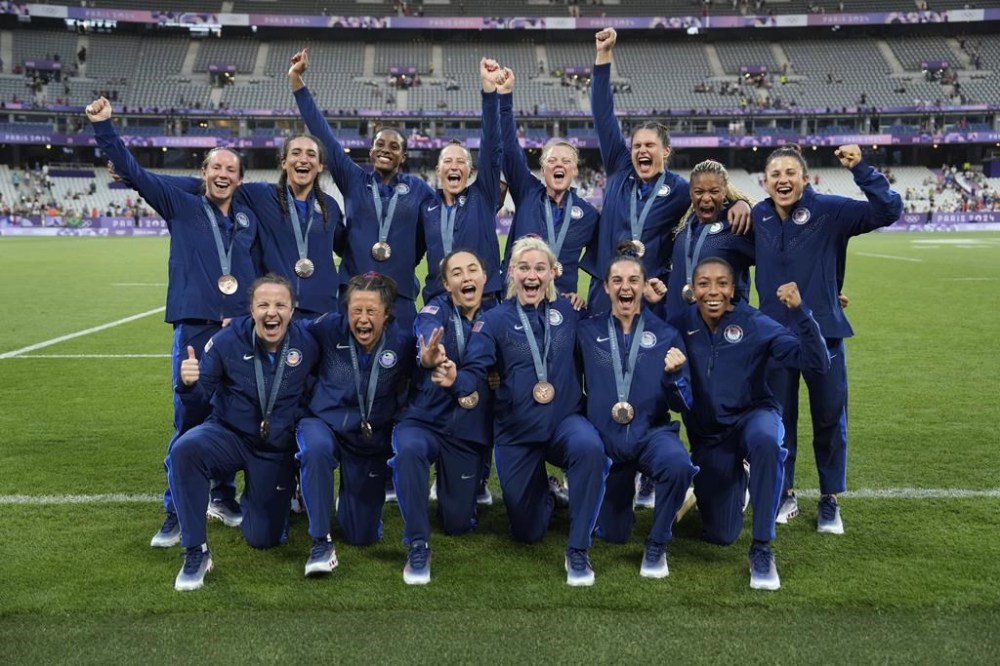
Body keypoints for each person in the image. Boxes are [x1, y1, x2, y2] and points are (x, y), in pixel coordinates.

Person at [86, 96, 261, 547]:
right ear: (203, 173)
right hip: (195, 328)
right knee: (190, 419)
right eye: (214, 168)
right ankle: (176, 511)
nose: (222, 175)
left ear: (241, 179)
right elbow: (138, 174)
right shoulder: (181, 205)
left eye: (230, 170)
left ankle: (223, 495)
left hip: (239, 330)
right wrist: (105, 126)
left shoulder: (248, 216)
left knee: (238, 414)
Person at [434, 237, 609, 587]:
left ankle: (578, 549)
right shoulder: (494, 320)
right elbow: (476, 365)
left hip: (564, 422)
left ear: (552, 273)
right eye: (524, 268)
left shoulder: (570, 313)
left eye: (540, 268)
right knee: (527, 532)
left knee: (590, 448)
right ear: (511, 272)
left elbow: (611, 334)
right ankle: (546, 492)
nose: (532, 275)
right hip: (517, 431)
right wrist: (457, 379)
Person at [753, 144, 902, 533]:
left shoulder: (831, 211)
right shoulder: (758, 216)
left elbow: (888, 211)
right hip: (774, 339)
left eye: (790, 173)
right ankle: (784, 493)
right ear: (764, 182)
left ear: (805, 178)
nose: (783, 179)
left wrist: (861, 169)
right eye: (775, 174)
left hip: (824, 335)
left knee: (830, 419)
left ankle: (829, 499)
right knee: (778, 421)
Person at [676, 257, 830, 590]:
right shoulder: (679, 324)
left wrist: (801, 313)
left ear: (733, 289)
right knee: (721, 535)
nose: (713, 291)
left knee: (766, 441)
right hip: (711, 438)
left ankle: (761, 547)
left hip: (752, 417)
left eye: (721, 283)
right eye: (704, 283)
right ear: (693, 288)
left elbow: (816, 362)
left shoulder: (754, 322)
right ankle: (738, 478)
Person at [581, 27, 750, 317]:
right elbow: (603, 114)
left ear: (666, 151)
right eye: (636, 146)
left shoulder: (680, 190)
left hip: (651, 293)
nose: (641, 151)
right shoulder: (620, 168)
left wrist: (740, 202)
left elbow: (710, 198)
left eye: (650, 145)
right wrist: (603, 55)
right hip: (606, 287)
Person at [167, 275, 319, 591]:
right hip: (229, 435)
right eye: (263, 304)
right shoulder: (226, 342)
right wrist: (188, 383)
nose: (271, 312)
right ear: (250, 309)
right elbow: (198, 401)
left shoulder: (308, 342)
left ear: (293, 310)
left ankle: (273, 493)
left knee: (263, 539)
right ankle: (196, 551)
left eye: (280, 305)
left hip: (274, 449)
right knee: (185, 450)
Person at [289, 48, 434, 331]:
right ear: (370, 151)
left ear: (403, 157)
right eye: (380, 144)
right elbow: (323, 136)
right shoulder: (354, 179)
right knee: (350, 365)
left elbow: (427, 236)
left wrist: (406, 259)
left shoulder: (420, 189)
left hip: (399, 295)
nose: (385, 150)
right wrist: (297, 82)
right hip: (353, 293)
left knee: (400, 369)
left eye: (394, 147)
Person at [576, 253, 695, 579]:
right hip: (606, 440)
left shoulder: (666, 334)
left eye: (633, 280)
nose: (625, 287)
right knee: (614, 534)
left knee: (678, 465)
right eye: (618, 280)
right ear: (606, 287)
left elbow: (684, 404)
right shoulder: (585, 331)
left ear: (644, 286)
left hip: (650, 434)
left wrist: (674, 377)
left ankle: (658, 544)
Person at [135, 135, 345, 319]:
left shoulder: (331, 206)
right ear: (284, 162)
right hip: (277, 309)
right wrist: (139, 178)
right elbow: (208, 183)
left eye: (310, 154)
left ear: (320, 166)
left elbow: (342, 245)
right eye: (296, 153)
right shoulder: (260, 195)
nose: (303, 159)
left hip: (323, 309)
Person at [296, 272, 415, 574]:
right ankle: (320, 541)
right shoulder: (326, 328)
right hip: (324, 422)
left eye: (371, 311)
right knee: (315, 450)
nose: (362, 319)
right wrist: (242, 327)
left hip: (368, 438)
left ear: (386, 314)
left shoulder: (403, 343)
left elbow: (422, 381)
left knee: (362, 536)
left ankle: (343, 501)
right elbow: (284, 330)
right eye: (355, 311)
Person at [390, 249, 494, 584]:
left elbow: (489, 366)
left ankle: (466, 490)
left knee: (458, 525)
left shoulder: (496, 317)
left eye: (473, 270)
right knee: (408, 451)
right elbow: (426, 337)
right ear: (446, 284)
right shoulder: (433, 311)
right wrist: (429, 356)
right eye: (458, 273)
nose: (466, 277)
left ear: (484, 277)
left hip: (464, 426)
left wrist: (469, 379)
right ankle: (417, 543)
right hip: (424, 419)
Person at [497, 68, 599, 302]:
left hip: (561, 308)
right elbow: (510, 149)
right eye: (552, 161)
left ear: (574, 171)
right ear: (543, 170)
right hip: (517, 300)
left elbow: (604, 262)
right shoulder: (527, 192)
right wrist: (505, 97)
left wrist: (583, 298)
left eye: (566, 161)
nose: (558, 165)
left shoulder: (588, 215)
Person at [418, 59, 505, 305]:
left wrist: (489, 93)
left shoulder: (483, 195)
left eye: (461, 162)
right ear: (437, 170)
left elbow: (492, 147)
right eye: (448, 161)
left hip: (483, 302)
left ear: (470, 170)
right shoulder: (426, 204)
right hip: (439, 302)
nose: (454, 166)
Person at [664, 160, 755, 324]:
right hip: (678, 329)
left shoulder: (737, 224)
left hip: (719, 331)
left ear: (724, 192)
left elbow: (774, 256)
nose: (706, 198)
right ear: (690, 193)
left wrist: (744, 204)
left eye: (714, 191)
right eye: (699, 192)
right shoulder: (684, 225)